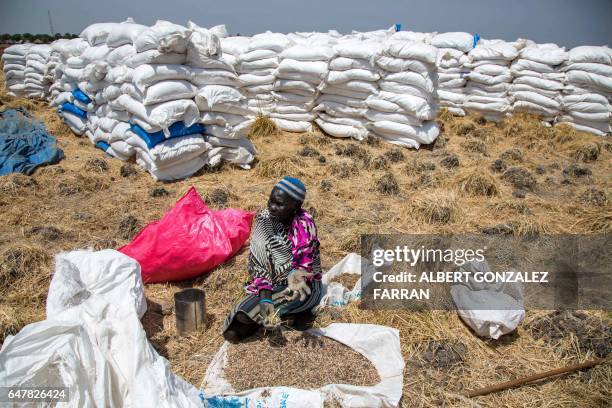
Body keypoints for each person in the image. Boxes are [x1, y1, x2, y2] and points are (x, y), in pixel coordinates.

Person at [222, 176, 322, 342]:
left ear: (296, 206)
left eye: (280, 204)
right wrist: (266, 298)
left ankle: (300, 311)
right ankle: (283, 315)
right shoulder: (264, 219)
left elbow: (305, 267)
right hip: (272, 285)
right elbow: (259, 264)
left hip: (302, 287)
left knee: (247, 316)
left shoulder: (305, 224)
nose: (273, 208)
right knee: (234, 329)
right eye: (271, 201)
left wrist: (296, 275)